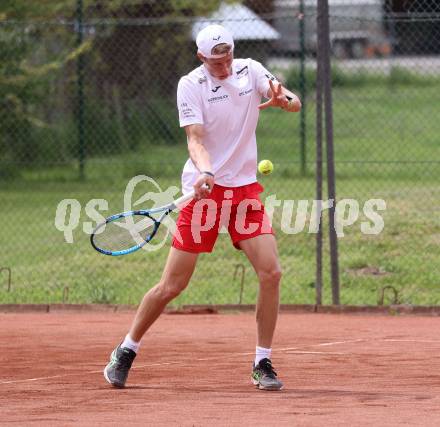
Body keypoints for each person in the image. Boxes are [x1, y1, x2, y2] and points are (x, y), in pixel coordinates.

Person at [104, 24, 301, 391]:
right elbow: (195, 139)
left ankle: (263, 362)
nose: (224, 65)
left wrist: (283, 100)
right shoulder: (190, 85)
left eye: (227, 56)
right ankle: (127, 349)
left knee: (271, 273)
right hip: (204, 194)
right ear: (201, 57)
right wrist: (206, 170)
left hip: (244, 193)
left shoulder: (251, 70)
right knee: (172, 285)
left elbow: (293, 101)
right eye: (216, 60)